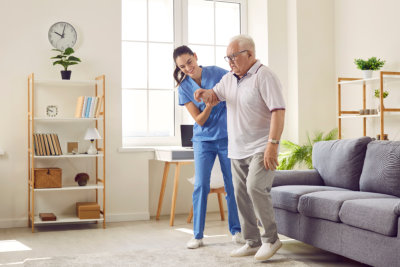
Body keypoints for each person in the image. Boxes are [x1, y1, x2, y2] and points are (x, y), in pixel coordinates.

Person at [194, 35, 286, 261]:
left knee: (255, 187)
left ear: (250, 55)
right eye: (228, 57)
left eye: (234, 56)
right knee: (240, 194)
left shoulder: (264, 76)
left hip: (261, 146)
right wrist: (204, 94)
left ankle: (271, 239)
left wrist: (272, 145)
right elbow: (215, 96)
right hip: (237, 149)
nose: (230, 61)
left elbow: (278, 111)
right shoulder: (229, 79)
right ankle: (252, 241)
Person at [173, 45, 244, 249]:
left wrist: (216, 96)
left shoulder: (218, 73)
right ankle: (197, 235)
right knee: (201, 185)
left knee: (232, 185)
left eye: (189, 62)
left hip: (227, 138)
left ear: (195, 57)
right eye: (182, 66)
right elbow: (199, 120)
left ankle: (236, 231)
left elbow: (236, 89)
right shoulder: (184, 87)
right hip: (203, 140)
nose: (188, 68)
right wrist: (211, 104)